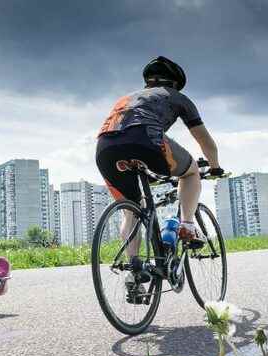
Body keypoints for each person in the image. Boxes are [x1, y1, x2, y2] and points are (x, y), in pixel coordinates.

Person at [95, 56, 223, 285]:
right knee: (191, 171)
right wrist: (214, 167)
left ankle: (134, 268)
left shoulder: (127, 98)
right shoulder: (178, 97)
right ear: (175, 84)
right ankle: (187, 226)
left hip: (105, 147)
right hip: (146, 139)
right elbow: (206, 143)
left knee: (132, 209)